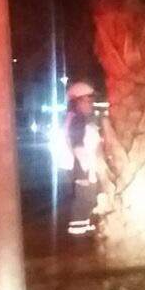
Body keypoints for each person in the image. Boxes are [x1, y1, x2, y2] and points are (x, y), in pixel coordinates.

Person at [63, 82, 102, 237]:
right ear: (77, 102)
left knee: (87, 198)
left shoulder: (78, 119)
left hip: (82, 167)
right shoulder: (77, 120)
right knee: (85, 198)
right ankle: (79, 232)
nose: (91, 104)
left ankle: (82, 229)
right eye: (88, 100)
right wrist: (86, 172)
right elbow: (78, 147)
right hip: (82, 167)